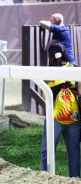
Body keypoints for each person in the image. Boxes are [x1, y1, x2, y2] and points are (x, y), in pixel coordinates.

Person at [41, 41, 80, 177]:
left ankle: (45, 177)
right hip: (74, 117)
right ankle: (74, 179)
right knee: (74, 153)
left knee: (47, 150)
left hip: (54, 118)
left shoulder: (48, 73)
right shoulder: (75, 68)